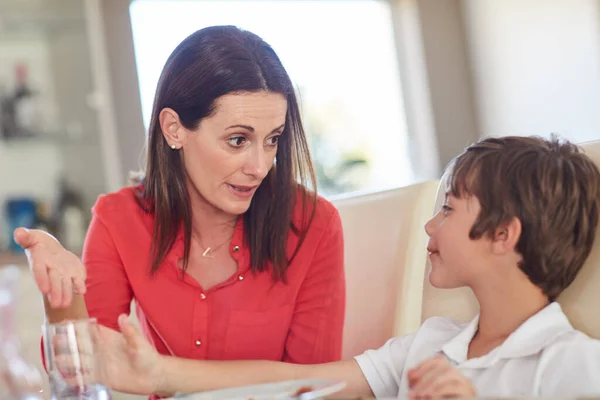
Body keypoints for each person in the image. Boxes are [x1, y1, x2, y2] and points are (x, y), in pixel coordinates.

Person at [95, 136, 600, 399]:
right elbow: (298, 380)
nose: (429, 227)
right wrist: (160, 371)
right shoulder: (430, 344)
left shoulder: (571, 364)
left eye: (448, 210)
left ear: (502, 234)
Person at [14, 25, 346, 378]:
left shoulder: (313, 224)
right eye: (237, 140)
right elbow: (80, 374)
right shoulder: (120, 219)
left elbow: (315, 386)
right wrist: (59, 288)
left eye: (273, 139)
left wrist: (165, 373)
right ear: (174, 129)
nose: (260, 166)